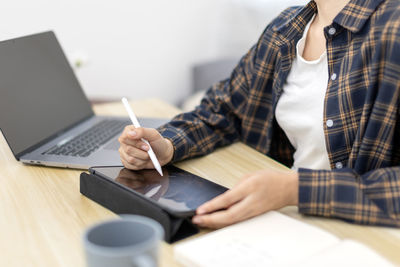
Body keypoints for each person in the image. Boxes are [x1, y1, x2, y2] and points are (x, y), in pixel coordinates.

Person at [118, 0, 400, 229]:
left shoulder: (393, 27)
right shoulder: (286, 29)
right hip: (284, 219)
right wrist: (166, 146)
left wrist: (295, 190)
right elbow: (224, 109)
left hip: (365, 235)